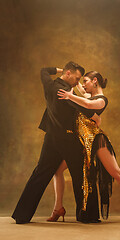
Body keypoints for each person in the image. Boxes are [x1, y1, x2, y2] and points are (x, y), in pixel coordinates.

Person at [47, 70, 120, 222]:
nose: (83, 85)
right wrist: (68, 75)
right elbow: (80, 91)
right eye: (82, 82)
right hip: (81, 142)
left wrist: (70, 96)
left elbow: (88, 104)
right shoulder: (87, 95)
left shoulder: (102, 100)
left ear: (95, 81)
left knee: (117, 173)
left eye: (86, 81)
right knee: (57, 171)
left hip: (96, 140)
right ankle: (58, 208)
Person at [11, 62, 101, 224]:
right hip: (68, 138)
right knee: (83, 174)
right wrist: (96, 117)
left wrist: (60, 69)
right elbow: (81, 106)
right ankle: (88, 216)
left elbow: (43, 70)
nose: (78, 82)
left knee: (39, 175)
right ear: (68, 73)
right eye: (77, 77)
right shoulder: (64, 91)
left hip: (51, 137)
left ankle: (21, 215)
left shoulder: (50, 84)